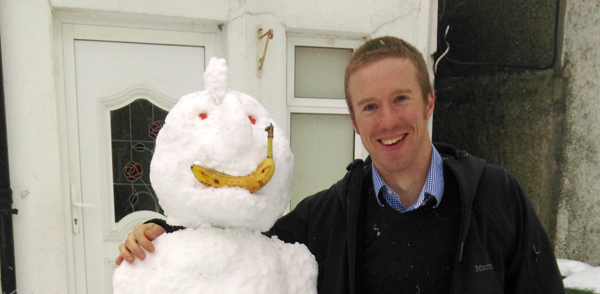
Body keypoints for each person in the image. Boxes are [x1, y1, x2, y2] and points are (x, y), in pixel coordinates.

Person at [116, 36, 565, 293]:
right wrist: (165, 232)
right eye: (370, 107)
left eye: (400, 99)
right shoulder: (328, 215)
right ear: (354, 121)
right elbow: (245, 246)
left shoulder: (494, 196)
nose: (387, 120)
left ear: (429, 101)